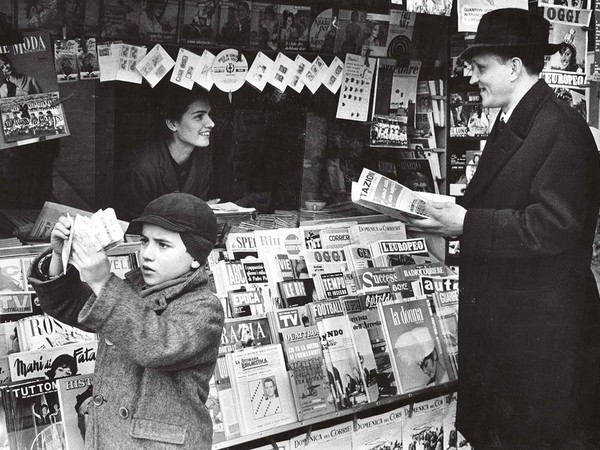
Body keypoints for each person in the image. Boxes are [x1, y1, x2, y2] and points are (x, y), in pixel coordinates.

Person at [404, 9, 600, 448]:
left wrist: (465, 223)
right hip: (509, 336)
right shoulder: (512, 121)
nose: (472, 78)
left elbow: (552, 226)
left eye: (481, 67)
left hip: (540, 345)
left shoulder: (562, 129)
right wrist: (436, 223)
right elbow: (493, 206)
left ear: (514, 67)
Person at [28, 192, 225, 449]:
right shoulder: (132, 288)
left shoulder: (205, 307)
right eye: (145, 241)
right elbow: (69, 305)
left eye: (162, 245)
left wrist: (101, 281)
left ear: (196, 257)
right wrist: (58, 256)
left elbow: (157, 346)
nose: (147, 254)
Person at [116, 84, 215, 221]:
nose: (211, 123)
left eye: (209, 115)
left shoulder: (203, 158)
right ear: (173, 124)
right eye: (199, 117)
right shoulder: (142, 168)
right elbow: (133, 226)